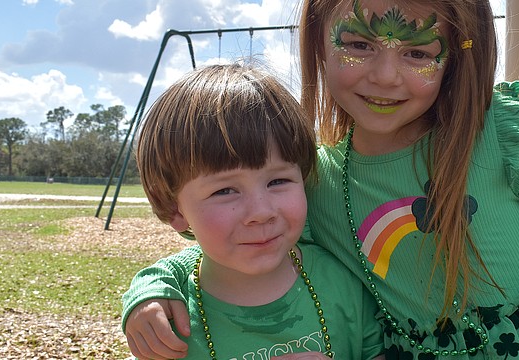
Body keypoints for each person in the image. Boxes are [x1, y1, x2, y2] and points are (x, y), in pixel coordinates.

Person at [123, 0, 519, 358]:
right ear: (319, 36)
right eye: (358, 43)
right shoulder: (309, 185)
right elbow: (215, 245)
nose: (385, 74)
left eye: (419, 52)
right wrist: (150, 289)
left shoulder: (497, 133)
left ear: (458, 54)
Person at [125, 63, 384, 360]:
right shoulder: (168, 317)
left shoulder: (343, 282)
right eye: (224, 191)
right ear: (174, 208)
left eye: (278, 181)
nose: (261, 212)